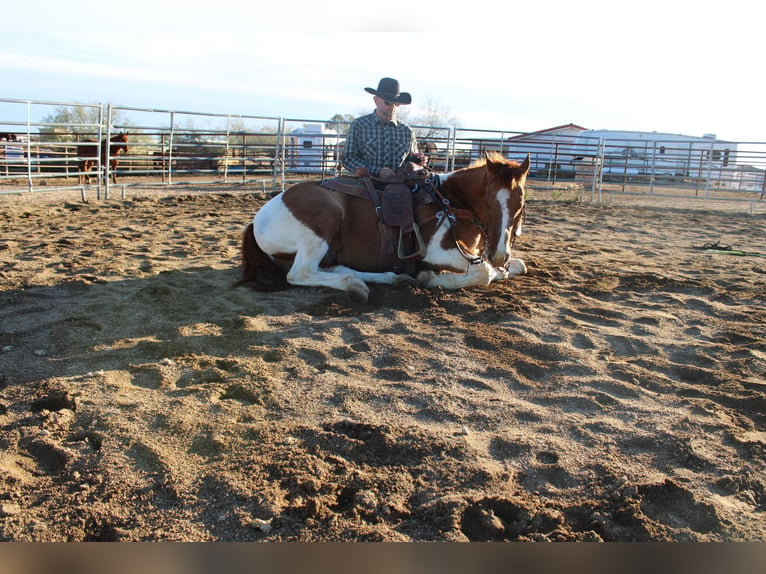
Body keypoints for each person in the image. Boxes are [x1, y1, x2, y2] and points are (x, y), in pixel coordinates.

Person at [342, 77, 428, 178]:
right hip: (365, 183)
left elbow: (410, 161)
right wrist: (377, 170)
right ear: (376, 100)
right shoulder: (359, 126)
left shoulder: (407, 131)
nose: (392, 107)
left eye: (396, 103)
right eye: (388, 102)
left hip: (399, 183)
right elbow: (348, 159)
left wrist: (419, 161)